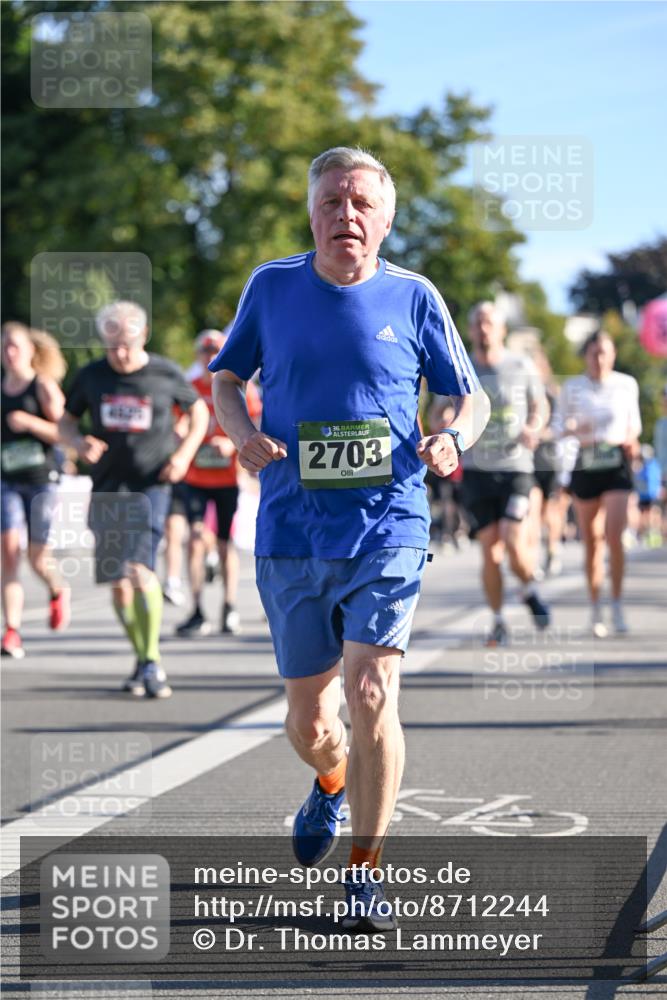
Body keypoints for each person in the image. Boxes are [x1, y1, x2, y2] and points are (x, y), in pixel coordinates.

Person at [209, 146, 489, 929]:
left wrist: (453, 439)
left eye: (362, 203)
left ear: (386, 218)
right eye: (332, 201)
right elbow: (226, 380)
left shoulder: (415, 295)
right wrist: (240, 433)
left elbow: (470, 398)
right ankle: (329, 785)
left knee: (370, 691)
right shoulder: (271, 287)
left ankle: (364, 872)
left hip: (388, 523)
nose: (346, 215)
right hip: (293, 528)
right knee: (310, 722)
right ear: (311, 212)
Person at [58, 301, 208, 697]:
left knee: (139, 570)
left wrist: (183, 455)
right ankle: (141, 659)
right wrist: (77, 441)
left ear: (142, 337)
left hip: (151, 485)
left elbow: (199, 414)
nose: (119, 354)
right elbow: (66, 420)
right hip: (107, 487)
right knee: (118, 581)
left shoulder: (164, 373)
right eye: (111, 346)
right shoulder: (91, 376)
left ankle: (152, 660)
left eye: (126, 344)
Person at [459, 302, 551, 647]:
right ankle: (499, 620)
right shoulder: (461, 365)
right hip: (476, 470)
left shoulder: (520, 364)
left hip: (515, 467)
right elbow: (441, 409)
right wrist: (442, 426)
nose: (484, 329)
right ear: (471, 330)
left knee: (512, 539)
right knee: (490, 551)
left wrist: (533, 427)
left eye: (489, 323)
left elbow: (541, 406)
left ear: (502, 330)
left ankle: (528, 587)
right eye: (478, 323)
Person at [553, 329, 641, 636]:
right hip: (585, 461)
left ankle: (616, 602)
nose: (599, 359)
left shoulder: (626, 384)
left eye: (605, 352)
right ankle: (595, 608)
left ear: (613, 354)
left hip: (615, 461)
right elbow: (558, 425)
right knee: (591, 541)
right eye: (594, 353)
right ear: (586, 356)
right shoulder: (573, 386)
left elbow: (634, 427)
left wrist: (632, 445)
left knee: (614, 536)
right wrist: (573, 427)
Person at [175, 328, 262, 637]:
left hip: (226, 476)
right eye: (205, 352)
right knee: (195, 538)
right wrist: (187, 437)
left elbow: (256, 425)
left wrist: (233, 443)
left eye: (216, 352)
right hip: (195, 476)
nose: (211, 357)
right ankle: (197, 608)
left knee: (226, 544)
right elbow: (175, 423)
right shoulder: (189, 387)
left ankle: (229, 606)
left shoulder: (242, 387)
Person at [1, 323, 70, 658]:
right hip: (6, 480)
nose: (9, 353)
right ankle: (11, 631)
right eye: (5, 347)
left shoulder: (42, 386)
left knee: (37, 557)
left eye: (15, 346)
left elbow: (65, 432)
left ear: (31, 351)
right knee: (9, 553)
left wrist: (30, 424)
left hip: (41, 480)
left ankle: (57, 589)